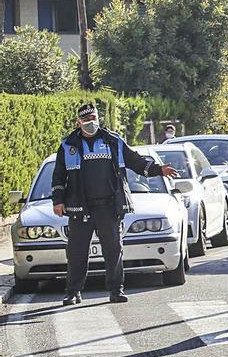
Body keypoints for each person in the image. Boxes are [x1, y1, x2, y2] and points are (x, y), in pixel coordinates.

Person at [51, 103, 180, 306]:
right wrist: (57, 201)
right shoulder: (68, 145)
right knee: (77, 253)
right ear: (78, 122)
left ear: (98, 118)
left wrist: (158, 169)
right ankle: (73, 292)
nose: (90, 122)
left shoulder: (113, 141)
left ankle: (116, 290)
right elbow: (58, 176)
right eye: (86, 120)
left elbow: (136, 162)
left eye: (93, 118)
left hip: (109, 207)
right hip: (80, 208)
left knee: (113, 251)